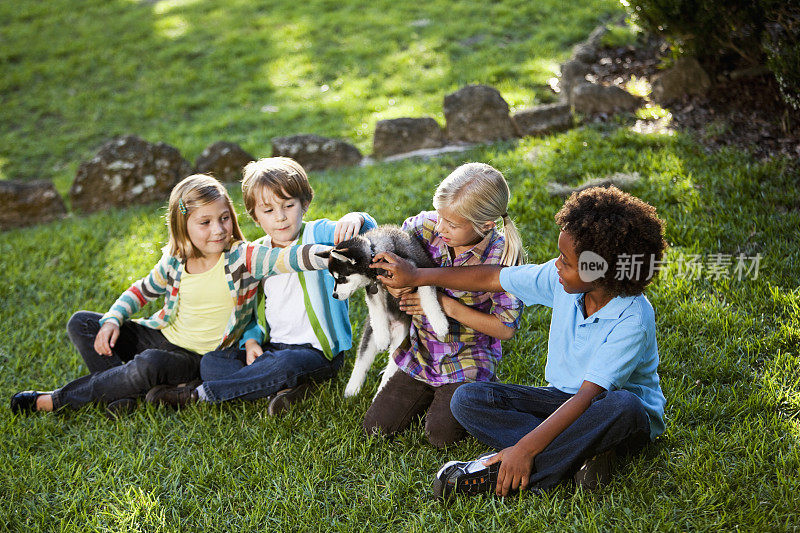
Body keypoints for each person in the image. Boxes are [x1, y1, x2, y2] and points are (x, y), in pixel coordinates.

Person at [372, 185, 668, 497]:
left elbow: (587, 398)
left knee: (625, 405)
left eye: (565, 261)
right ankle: (583, 454)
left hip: (616, 414)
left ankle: (503, 473)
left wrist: (523, 450)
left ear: (600, 270)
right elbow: (492, 277)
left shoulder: (632, 318)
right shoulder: (562, 281)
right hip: (560, 399)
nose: (556, 265)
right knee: (467, 399)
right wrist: (419, 276)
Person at [10, 174, 330, 416]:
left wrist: (330, 255)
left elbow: (287, 259)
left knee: (148, 364)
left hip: (196, 359)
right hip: (162, 335)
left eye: (223, 218)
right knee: (82, 323)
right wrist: (112, 319)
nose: (218, 229)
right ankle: (120, 395)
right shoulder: (175, 260)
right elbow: (140, 290)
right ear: (183, 226)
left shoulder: (243, 257)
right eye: (204, 222)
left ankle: (57, 399)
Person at [146, 157, 376, 414]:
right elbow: (253, 311)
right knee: (212, 362)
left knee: (284, 365)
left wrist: (357, 218)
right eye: (268, 211)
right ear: (254, 216)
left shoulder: (318, 233)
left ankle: (200, 394)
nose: (280, 217)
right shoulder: (255, 254)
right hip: (272, 347)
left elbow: (368, 232)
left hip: (317, 353)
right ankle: (288, 389)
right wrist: (252, 341)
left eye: (288, 205)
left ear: (305, 204)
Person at [362, 162, 524, 448]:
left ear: (485, 225)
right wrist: (397, 286)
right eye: (439, 216)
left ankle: (484, 390)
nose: (440, 227)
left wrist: (444, 305)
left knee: (442, 436)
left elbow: (506, 328)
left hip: (467, 357)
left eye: (451, 224)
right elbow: (389, 272)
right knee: (376, 428)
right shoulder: (422, 228)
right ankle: (434, 393)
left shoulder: (503, 257)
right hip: (421, 353)